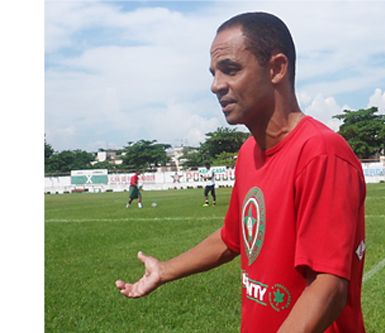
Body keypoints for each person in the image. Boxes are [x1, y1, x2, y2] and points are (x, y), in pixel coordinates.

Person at [116, 12, 366, 332]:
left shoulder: (321, 153)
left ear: (276, 68)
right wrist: (164, 270)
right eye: (214, 73)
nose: (216, 85)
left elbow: (328, 286)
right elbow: (231, 238)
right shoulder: (248, 153)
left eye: (230, 69)